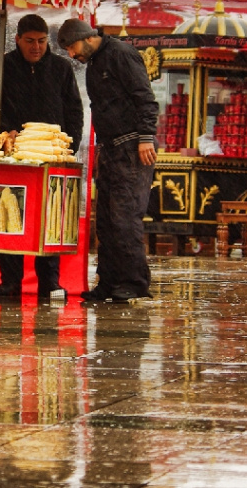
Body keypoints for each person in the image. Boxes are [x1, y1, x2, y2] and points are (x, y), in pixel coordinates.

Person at [0, 13, 84, 299]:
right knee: (11, 214)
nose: (36, 47)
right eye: (30, 41)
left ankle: (50, 282)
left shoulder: (61, 68)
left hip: (51, 154)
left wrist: (69, 148)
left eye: (41, 41)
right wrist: (2, 136)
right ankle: (10, 280)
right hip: (12, 157)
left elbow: (75, 111)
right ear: (17, 40)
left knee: (49, 219)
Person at [57, 18, 158, 303]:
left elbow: (145, 98)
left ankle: (134, 282)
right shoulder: (93, 64)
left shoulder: (122, 54)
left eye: (72, 47)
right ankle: (110, 282)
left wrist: (146, 136)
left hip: (133, 145)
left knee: (125, 217)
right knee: (105, 221)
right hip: (111, 148)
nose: (71, 55)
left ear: (86, 37)